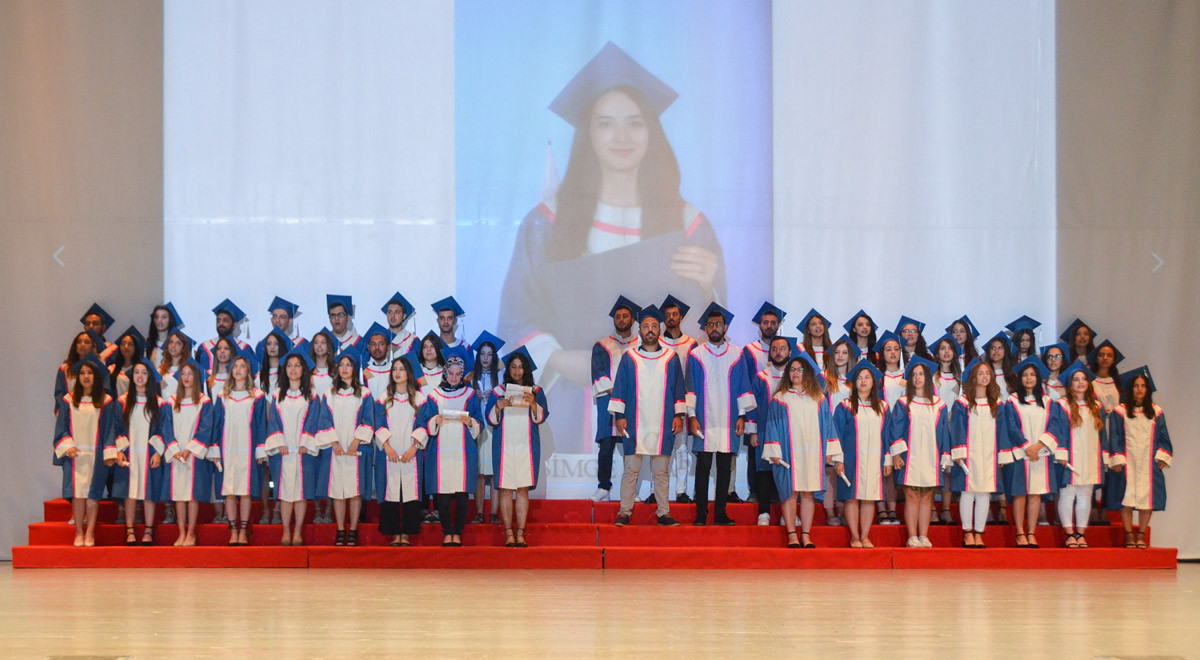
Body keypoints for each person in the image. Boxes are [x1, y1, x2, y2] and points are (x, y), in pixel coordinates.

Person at [495, 42, 726, 465]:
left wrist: (710, 284)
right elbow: (519, 315)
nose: (621, 137)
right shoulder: (547, 223)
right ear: (588, 134)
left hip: (661, 395)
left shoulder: (688, 224)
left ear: (652, 132)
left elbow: (711, 328)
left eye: (635, 123)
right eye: (605, 124)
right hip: (572, 405)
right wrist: (566, 361)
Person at [608, 305, 686, 527]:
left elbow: (678, 389)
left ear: (659, 329)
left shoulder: (671, 357)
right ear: (640, 331)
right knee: (631, 469)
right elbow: (620, 387)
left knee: (661, 472)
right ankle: (624, 511)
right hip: (634, 420)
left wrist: (679, 415)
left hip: (663, 421)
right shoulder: (629, 357)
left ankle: (663, 513)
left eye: (653, 326)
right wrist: (620, 416)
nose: (650, 330)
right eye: (645, 327)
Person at [686, 303, 755, 526]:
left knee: (725, 469)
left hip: (729, 420)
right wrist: (692, 416)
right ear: (705, 328)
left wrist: (742, 416)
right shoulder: (696, 355)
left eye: (718, 324)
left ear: (725, 327)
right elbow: (691, 387)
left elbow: (744, 385)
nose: (714, 328)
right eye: (710, 324)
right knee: (703, 467)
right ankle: (700, 514)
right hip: (704, 420)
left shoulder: (737, 354)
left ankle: (720, 513)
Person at [762, 353, 838, 549]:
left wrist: (830, 450)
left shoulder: (819, 398)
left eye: (800, 369)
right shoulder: (780, 398)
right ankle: (791, 535)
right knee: (790, 493)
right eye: (793, 369)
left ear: (808, 373)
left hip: (812, 452)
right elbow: (772, 426)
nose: (796, 373)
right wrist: (774, 451)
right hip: (788, 454)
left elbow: (828, 425)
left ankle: (805, 534)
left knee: (807, 494)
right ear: (788, 373)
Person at [414, 346, 485, 546]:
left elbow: (479, 422)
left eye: (458, 374)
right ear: (445, 372)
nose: (454, 378)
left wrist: (470, 422)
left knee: (462, 493)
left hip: (464, 451)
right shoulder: (434, 395)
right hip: (441, 450)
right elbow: (424, 422)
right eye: (451, 374)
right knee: (443, 493)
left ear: (462, 374)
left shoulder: (470, 395)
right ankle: (447, 531)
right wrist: (435, 420)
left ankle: (457, 532)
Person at [264, 349, 331, 546]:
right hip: (283, 452)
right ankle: (286, 531)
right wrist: (279, 443)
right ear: (285, 370)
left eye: (297, 365)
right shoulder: (277, 395)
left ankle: (298, 532)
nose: (293, 369)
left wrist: (305, 443)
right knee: (284, 493)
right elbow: (273, 421)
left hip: (303, 452)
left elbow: (314, 420)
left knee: (301, 493)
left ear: (304, 370)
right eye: (290, 366)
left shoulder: (311, 395)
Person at [53, 354, 121, 547]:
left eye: (90, 372)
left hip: (96, 455)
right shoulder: (68, 400)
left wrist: (109, 454)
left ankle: (90, 533)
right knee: (77, 494)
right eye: (82, 373)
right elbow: (62, 427)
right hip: (74, 455)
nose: (85, 376)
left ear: (96, 376)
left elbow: (109, 429)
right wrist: (68, 445)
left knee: (92, 495)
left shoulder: (105, 401)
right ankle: (78, 532)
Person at [486, 347, 549, 547]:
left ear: (526, 369)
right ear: (508, 370)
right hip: (504, 447)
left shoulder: (536, 391)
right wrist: (497, 407)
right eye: (513, 367)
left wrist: (533, 405)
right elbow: (490, 420)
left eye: (521, 367)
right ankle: (508, 533)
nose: (517, 371)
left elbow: (541, 417)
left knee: (522, 490)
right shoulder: (498, 392)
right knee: (505, 490)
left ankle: (520, 533)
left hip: (526, 447)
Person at [888, 356, 951, 548]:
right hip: (910, 457)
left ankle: (924, 535)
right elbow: (896, 429)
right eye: (914, 374)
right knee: (912, 495)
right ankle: (912, 536)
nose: (917, 378)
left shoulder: (939, 405)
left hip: (931, 457)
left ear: (928, 377)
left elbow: (943, 433)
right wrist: (897, 454)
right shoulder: (903, 402)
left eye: (921, 374)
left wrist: (945, 456)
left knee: (927, 496)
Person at [1106, 367, 1172, 549]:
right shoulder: (1120, 411)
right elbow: (1115, 436)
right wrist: (1117, 458)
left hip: (1148, 462)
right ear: (1130, 388)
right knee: (1126, 497)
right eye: (1136, 385)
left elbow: (1164, 437)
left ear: (1148, 389)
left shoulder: (1157, 412)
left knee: (1147, 499)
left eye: (1143, 386)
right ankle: (1129, 534)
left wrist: (1162, 457)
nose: (1140, 389)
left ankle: (1141, 534)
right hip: (1127, 462)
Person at [315, 349, 376, 546]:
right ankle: (340, 529)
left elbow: (368, 420)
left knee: (354, 490)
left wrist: (356, 441)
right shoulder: (329, 394)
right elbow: (323, 419)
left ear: (354, 369)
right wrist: (334, 442)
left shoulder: (364, 394)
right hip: (337, 450)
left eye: (348, 365)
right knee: (338, 491)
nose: (344, 368)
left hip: (354, 449)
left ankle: (353, 530)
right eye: (341, 365)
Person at [999, 356, 1058, 549]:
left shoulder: (1048, 402)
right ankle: (1019, 532)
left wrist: (1039, 446)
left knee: (1035, 494)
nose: (1028, 378)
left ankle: (1032, 532)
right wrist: (1027, 446)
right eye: (1025, 375)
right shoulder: (1013, 401)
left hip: (1040, 453)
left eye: (1032, 375)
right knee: (1020, 494)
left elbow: (1054, 426)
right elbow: (1012, 426)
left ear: (1039, 378)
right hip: (1021, 454)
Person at [1045, 361, 1107, 549]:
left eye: (1083, 379)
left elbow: (1102, 434)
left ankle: (1081, 532)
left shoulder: (1097, 406)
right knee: (1068, 495)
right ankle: (1069, 532)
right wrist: (1062, 453)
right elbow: (1058, 430)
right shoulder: (1062, 405)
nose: (1080, 382)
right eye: (1076, 380)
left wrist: (1104, 456)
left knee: (1085, 495)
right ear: (1070, 384)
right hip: (1070, 457)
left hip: (1090, 456)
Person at [211, 353, 270, 546]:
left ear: (248, 371)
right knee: (229, 490)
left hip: (247, 448)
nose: (238, 370)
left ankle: (244, 529)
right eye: (235, 366)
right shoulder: (223, 395)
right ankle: (233, 529)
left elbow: (261, 424)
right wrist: (215, 449)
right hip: (228, 448)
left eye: (242, 367)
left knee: (245, 490)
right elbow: (217, 424)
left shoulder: (257, 396)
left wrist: (260, 449)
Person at [833, 359, 893, 548]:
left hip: (875, 458)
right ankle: (854, 536)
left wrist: (887, 460)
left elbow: (887, 435)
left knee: (869, 497)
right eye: (859, 377)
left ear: (874, 381)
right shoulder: (845, 406)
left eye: (867, 377)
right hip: (851, 458)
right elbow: (837, 435)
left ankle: (865, 535)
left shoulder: (883, 407)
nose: (864, 381)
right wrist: (838, 459)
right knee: (851, 497)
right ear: (854, 382)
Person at [112, 359, 172, 546]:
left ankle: (148, 530)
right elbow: (116, 428)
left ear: (150, 377)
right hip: (129, 452)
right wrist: (120, 450)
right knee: (130, 493)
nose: (139, 376)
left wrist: (157, 452)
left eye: (144, 373)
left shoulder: (160, 404)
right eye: (136, 372)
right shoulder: (122, 401)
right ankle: (129, 530)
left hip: (149, 453)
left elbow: (164, 430)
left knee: (149, 492)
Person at [950, 359, 1009, 549]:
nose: (984, 377)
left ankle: (979, 532)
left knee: (984, 492)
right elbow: (957, 428)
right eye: (980, 373)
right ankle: (967, 533)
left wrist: (1002, 454)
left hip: (989, 454)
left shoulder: (997, 403)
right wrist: (959, 452)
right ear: (973, 377)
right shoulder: (963, 403)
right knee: (967, 492)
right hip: (969, 453)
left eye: (987, 373)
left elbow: (1002, 431)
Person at [588, 296, 641, 502]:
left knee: (631, 448)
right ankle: (604, 487)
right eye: (618, 316)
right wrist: (619, 394)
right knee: (607, 445)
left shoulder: (640, 345)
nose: (621, 319)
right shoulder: (602, 345)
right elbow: (600, 376)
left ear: (632, 320)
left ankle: (630, 490)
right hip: (608, 403)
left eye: (625, 316)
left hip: (633, 403)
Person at [373, 356, 427, 547]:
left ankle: (408, 533)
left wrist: (414, 448)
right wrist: (387, 447)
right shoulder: (384, 397)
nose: (397, 372)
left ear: (408, 373)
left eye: (401, 369)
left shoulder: (419, 399)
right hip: (390, 454)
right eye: (394, 369)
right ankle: (395, 533)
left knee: (409, 493)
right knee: (391, 492)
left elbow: (423, 424)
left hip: (411, 453)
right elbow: (378, 423)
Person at [736, 302, 785, 504]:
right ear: (760, 326)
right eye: (765, 322)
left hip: (781, 412)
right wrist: (746, 413)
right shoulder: (750, 350)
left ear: (778, 325)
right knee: (755, 450)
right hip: (756, 408)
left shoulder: (787, 349)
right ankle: (755, 490)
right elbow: (745, 381)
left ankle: (777, 491)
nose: (769, 326)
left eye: (773, 322)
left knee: (779, 451)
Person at [746, 335, 797, 526]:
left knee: (788, 472)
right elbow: (753, 405)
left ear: (790, 352)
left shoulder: (795, 377)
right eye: (775, 348)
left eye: (783, 348)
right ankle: (764, 512)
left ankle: (789, 514)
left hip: (789, 432)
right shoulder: (761, 377)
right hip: (765, 430)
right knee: (764, 471)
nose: (778, 352)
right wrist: (753, 432)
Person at [162, 359, 213, 546]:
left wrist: (190, 449)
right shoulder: (172, 402)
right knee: (178, 495)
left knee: (192, 495)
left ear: (196, 377)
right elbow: (165, 427)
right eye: (183, 374)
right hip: (177, 454)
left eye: (190, 374)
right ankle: (181, 532)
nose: (186, 377)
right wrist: (175, 449)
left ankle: (191, 533)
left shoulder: (204, 401)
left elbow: (205, 428)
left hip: (193, 455)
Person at [659, 294, 697, 503]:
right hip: (659, 403)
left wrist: (689, 408)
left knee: (681, 448)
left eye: (675, 314)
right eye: (667, 315)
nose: (671, 318)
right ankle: (657, 492)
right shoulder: (656, 342)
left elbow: (693, 377)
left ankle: (681, 491)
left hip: (681, 403)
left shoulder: (691, 344)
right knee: (660, 449)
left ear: (681, 317)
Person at [471, 331, 505, 524]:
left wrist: (495, 395)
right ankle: (479, 512)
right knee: (479, 472)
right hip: (478, 428)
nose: (485, 358)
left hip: (495, 428)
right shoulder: (470, 376)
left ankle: (493, 513)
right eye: (482, 354)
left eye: (489, 354)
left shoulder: (500, 377)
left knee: (493, 471)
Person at [872, 330, 904, 525]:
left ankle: (892, 509)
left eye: (896, 349)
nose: (892, 352)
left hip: (901, 428)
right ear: (881, 354)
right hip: (880, 425)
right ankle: (881, 508)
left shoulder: (908, 376)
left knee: (894, 468)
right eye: (888, 349)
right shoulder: (877, 377)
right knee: (880, 467)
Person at [54, 330, 102, 415]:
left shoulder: (99, 367)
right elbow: (60, 395)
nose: (82, 345)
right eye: (79, 342)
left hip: (94, 412)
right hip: (71, 412)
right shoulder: (65, 369)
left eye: (87, 342)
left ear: (93, 347)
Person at [196, 299, 249, 374]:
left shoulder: (244, 348)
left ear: (235, 324)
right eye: (218, 320)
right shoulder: (204, 348)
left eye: (225, 320)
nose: (221, 324)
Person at [257, 296, 306, 361]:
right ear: (271, 320)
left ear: (290, 321)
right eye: (274, 316)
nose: (277, 320)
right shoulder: (262, 345)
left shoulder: (301, 344)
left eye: (282, 317)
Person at [107, 326, 146, 398]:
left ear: (136, 348)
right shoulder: (111, 369)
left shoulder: (142, 370)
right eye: (122, 343)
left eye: (130, 344)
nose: (126, 346)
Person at [1087, 340, 1124, 413]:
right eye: (1101, 355)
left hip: (1115, 420)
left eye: (1109, 355)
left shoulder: (1118, 381)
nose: (1105, 358)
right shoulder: (1090, 381)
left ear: (1113, 360)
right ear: (1096, 359)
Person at [382, 292, 420, 362]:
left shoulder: (413, 340)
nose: (392, 316)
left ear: (404, 316)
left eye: (397, 312)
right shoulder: (379, 338)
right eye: (390, 312)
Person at [145, 302, 182, 367]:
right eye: (156, 317)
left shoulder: (178, 344)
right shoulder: (148, 344)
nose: (159, 320)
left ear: (170, 320)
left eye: (164, 317)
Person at [982, 331, 1016, 399]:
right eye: (993, 348)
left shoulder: (1012, 374)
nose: (996, 351)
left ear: (1005, 351)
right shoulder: (984, 374)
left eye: (1000, 348)